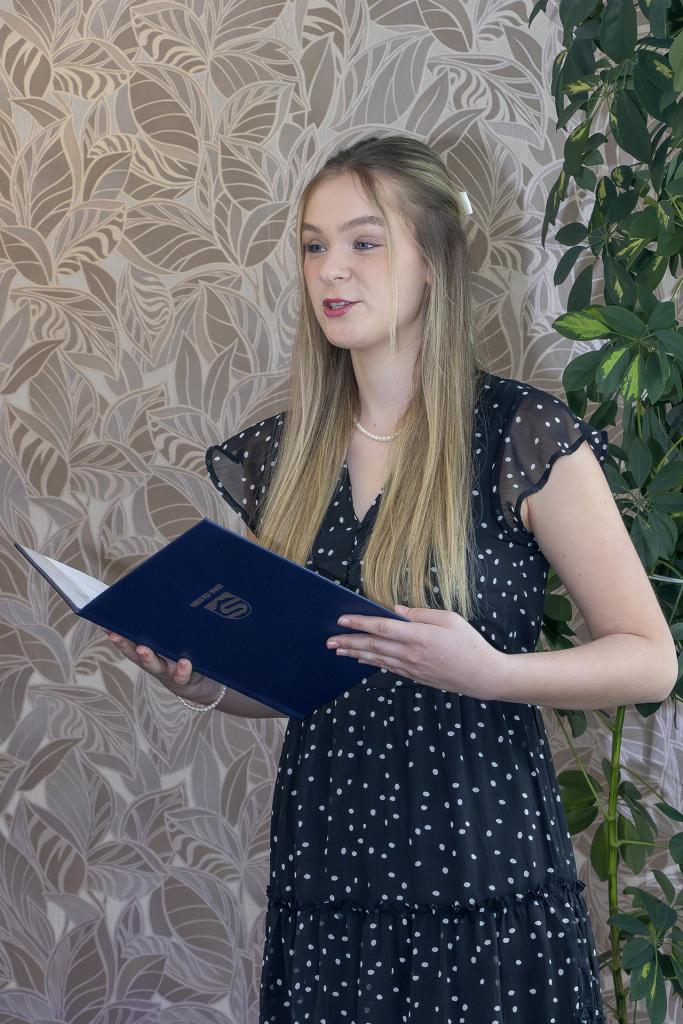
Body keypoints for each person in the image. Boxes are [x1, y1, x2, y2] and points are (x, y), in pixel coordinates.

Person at [107, 134, 677, 1023]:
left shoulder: (519, 434)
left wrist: (493, 673)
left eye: (363, 242)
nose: (331, 269)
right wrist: (204, 683)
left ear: (433, 261)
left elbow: (649, 660)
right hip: (328, 878)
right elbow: (297, 673)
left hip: (485, 876)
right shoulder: (280, 457)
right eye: (313, 245)